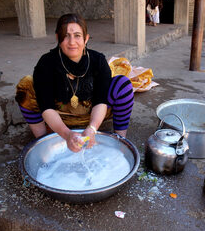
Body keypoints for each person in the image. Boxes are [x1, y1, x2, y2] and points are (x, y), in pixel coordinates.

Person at [15, 13, 134, 152]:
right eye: (66, 35)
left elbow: (101, 100)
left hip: (93, 115)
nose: (72, 42)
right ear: (57, 37)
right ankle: (43, 142)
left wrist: (92, 128)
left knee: (123, 84)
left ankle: (120, 141)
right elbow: (46, 106)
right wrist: (66, 134)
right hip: (59, 117)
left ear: (86, 38)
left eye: (77, 35)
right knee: (26, 85)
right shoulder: (46, 63)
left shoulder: (98, 61)